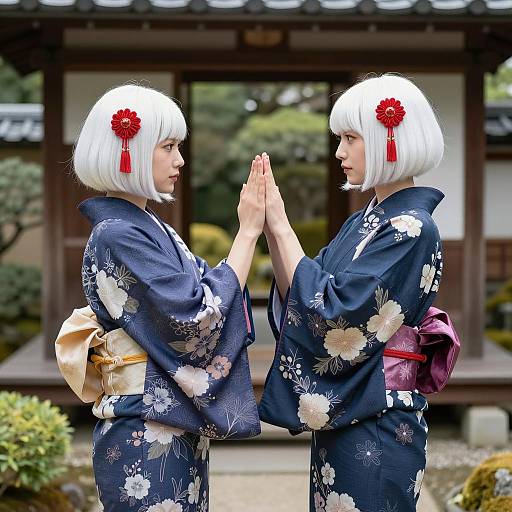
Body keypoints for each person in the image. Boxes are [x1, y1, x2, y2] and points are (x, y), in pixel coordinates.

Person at [55, 84, 264, 511]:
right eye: (168, 146)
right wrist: (247, 233)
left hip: (166, 416)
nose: (180, 160)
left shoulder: (146, 228)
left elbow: (207, 292)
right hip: (144, 421)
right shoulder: (118, 234)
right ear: (126, 151)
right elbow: (195, 318)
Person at [258, 74, 460, 512]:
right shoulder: (364, 222)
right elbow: (305, 292)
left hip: (380, 413)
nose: (339, 152)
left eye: (351, 138)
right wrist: (269, 227)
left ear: (391, 140)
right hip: (354, 407)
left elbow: (336, 313)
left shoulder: (410, 228)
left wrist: (280, 224)